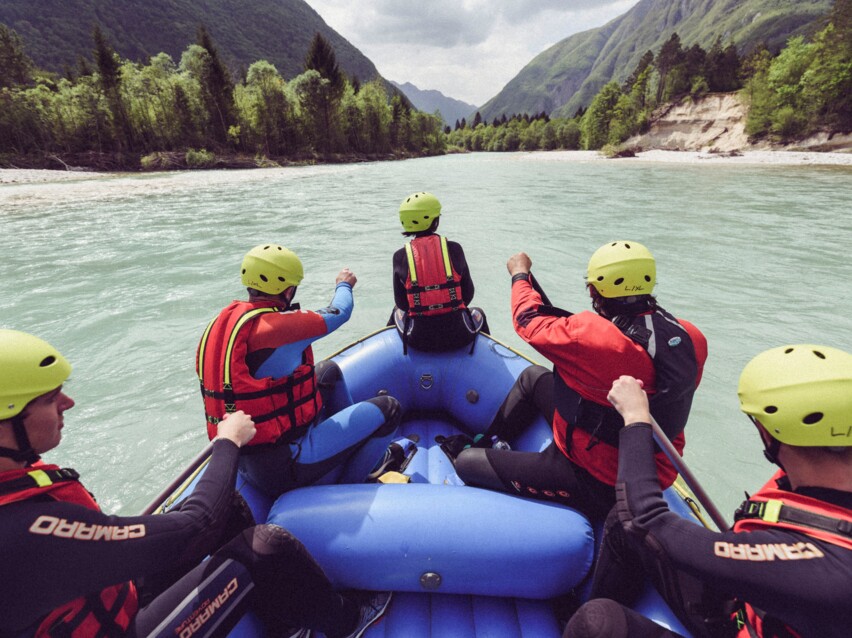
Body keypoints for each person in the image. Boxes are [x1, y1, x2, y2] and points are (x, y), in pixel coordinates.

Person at [0, 329, 392, 638]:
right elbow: (195, 524)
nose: (67, 403)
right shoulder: (25, 529)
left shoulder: (19, 493)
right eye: (51, 398)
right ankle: (348, 620)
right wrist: (227, 441)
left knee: (233, 510)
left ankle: (284, 620)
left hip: (110, 601)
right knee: (265, 546)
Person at [565, 344, 852, 638]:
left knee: (596, 623)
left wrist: (636, 416)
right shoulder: (818, 477)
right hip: (754, 606)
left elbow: (645, 519)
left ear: (767, 433)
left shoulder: (821, 569)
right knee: (620, 530)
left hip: (748, 623)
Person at [454, 241, 707, 519]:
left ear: (594, 291)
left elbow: (527, 319)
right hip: (646, 463)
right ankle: (493, 438)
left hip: (597, 479)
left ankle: (483, 446)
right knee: (533, 377)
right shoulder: (689, 336)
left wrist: (519, 273)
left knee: (466, 462)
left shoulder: (590, 338)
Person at [197, 244, 401, 496]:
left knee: (328, 371)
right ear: (288, 289)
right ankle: (354, 483)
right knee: (390, 408)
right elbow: (341, 311)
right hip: (284, 465)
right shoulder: (278, 327)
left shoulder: (222, 325)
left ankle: (347, 446)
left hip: (239, 456)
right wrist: (343, 284)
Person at [389, 192, 489, 353]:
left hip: (418, 339)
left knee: (396, 311)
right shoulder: (455, 249)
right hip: (459, 335)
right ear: (435, 222)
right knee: (480, 314)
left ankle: (397, 360)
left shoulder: (399, 256)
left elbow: (402, 304)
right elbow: (468, 295)